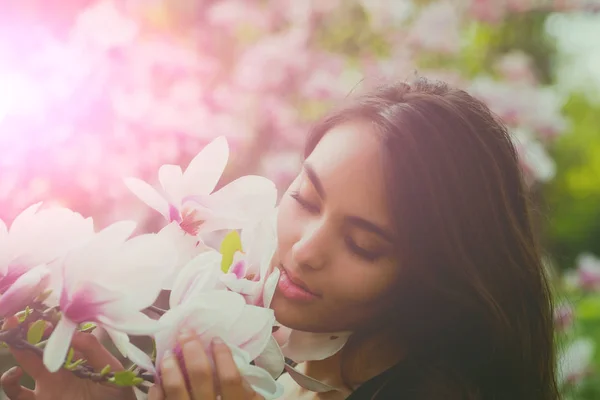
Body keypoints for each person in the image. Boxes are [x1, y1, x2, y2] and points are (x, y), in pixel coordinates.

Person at [0, 78, 559, 400]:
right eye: (305, 199)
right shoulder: (272, 353)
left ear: (438, 276)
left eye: (365, 245)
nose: (306, 249)